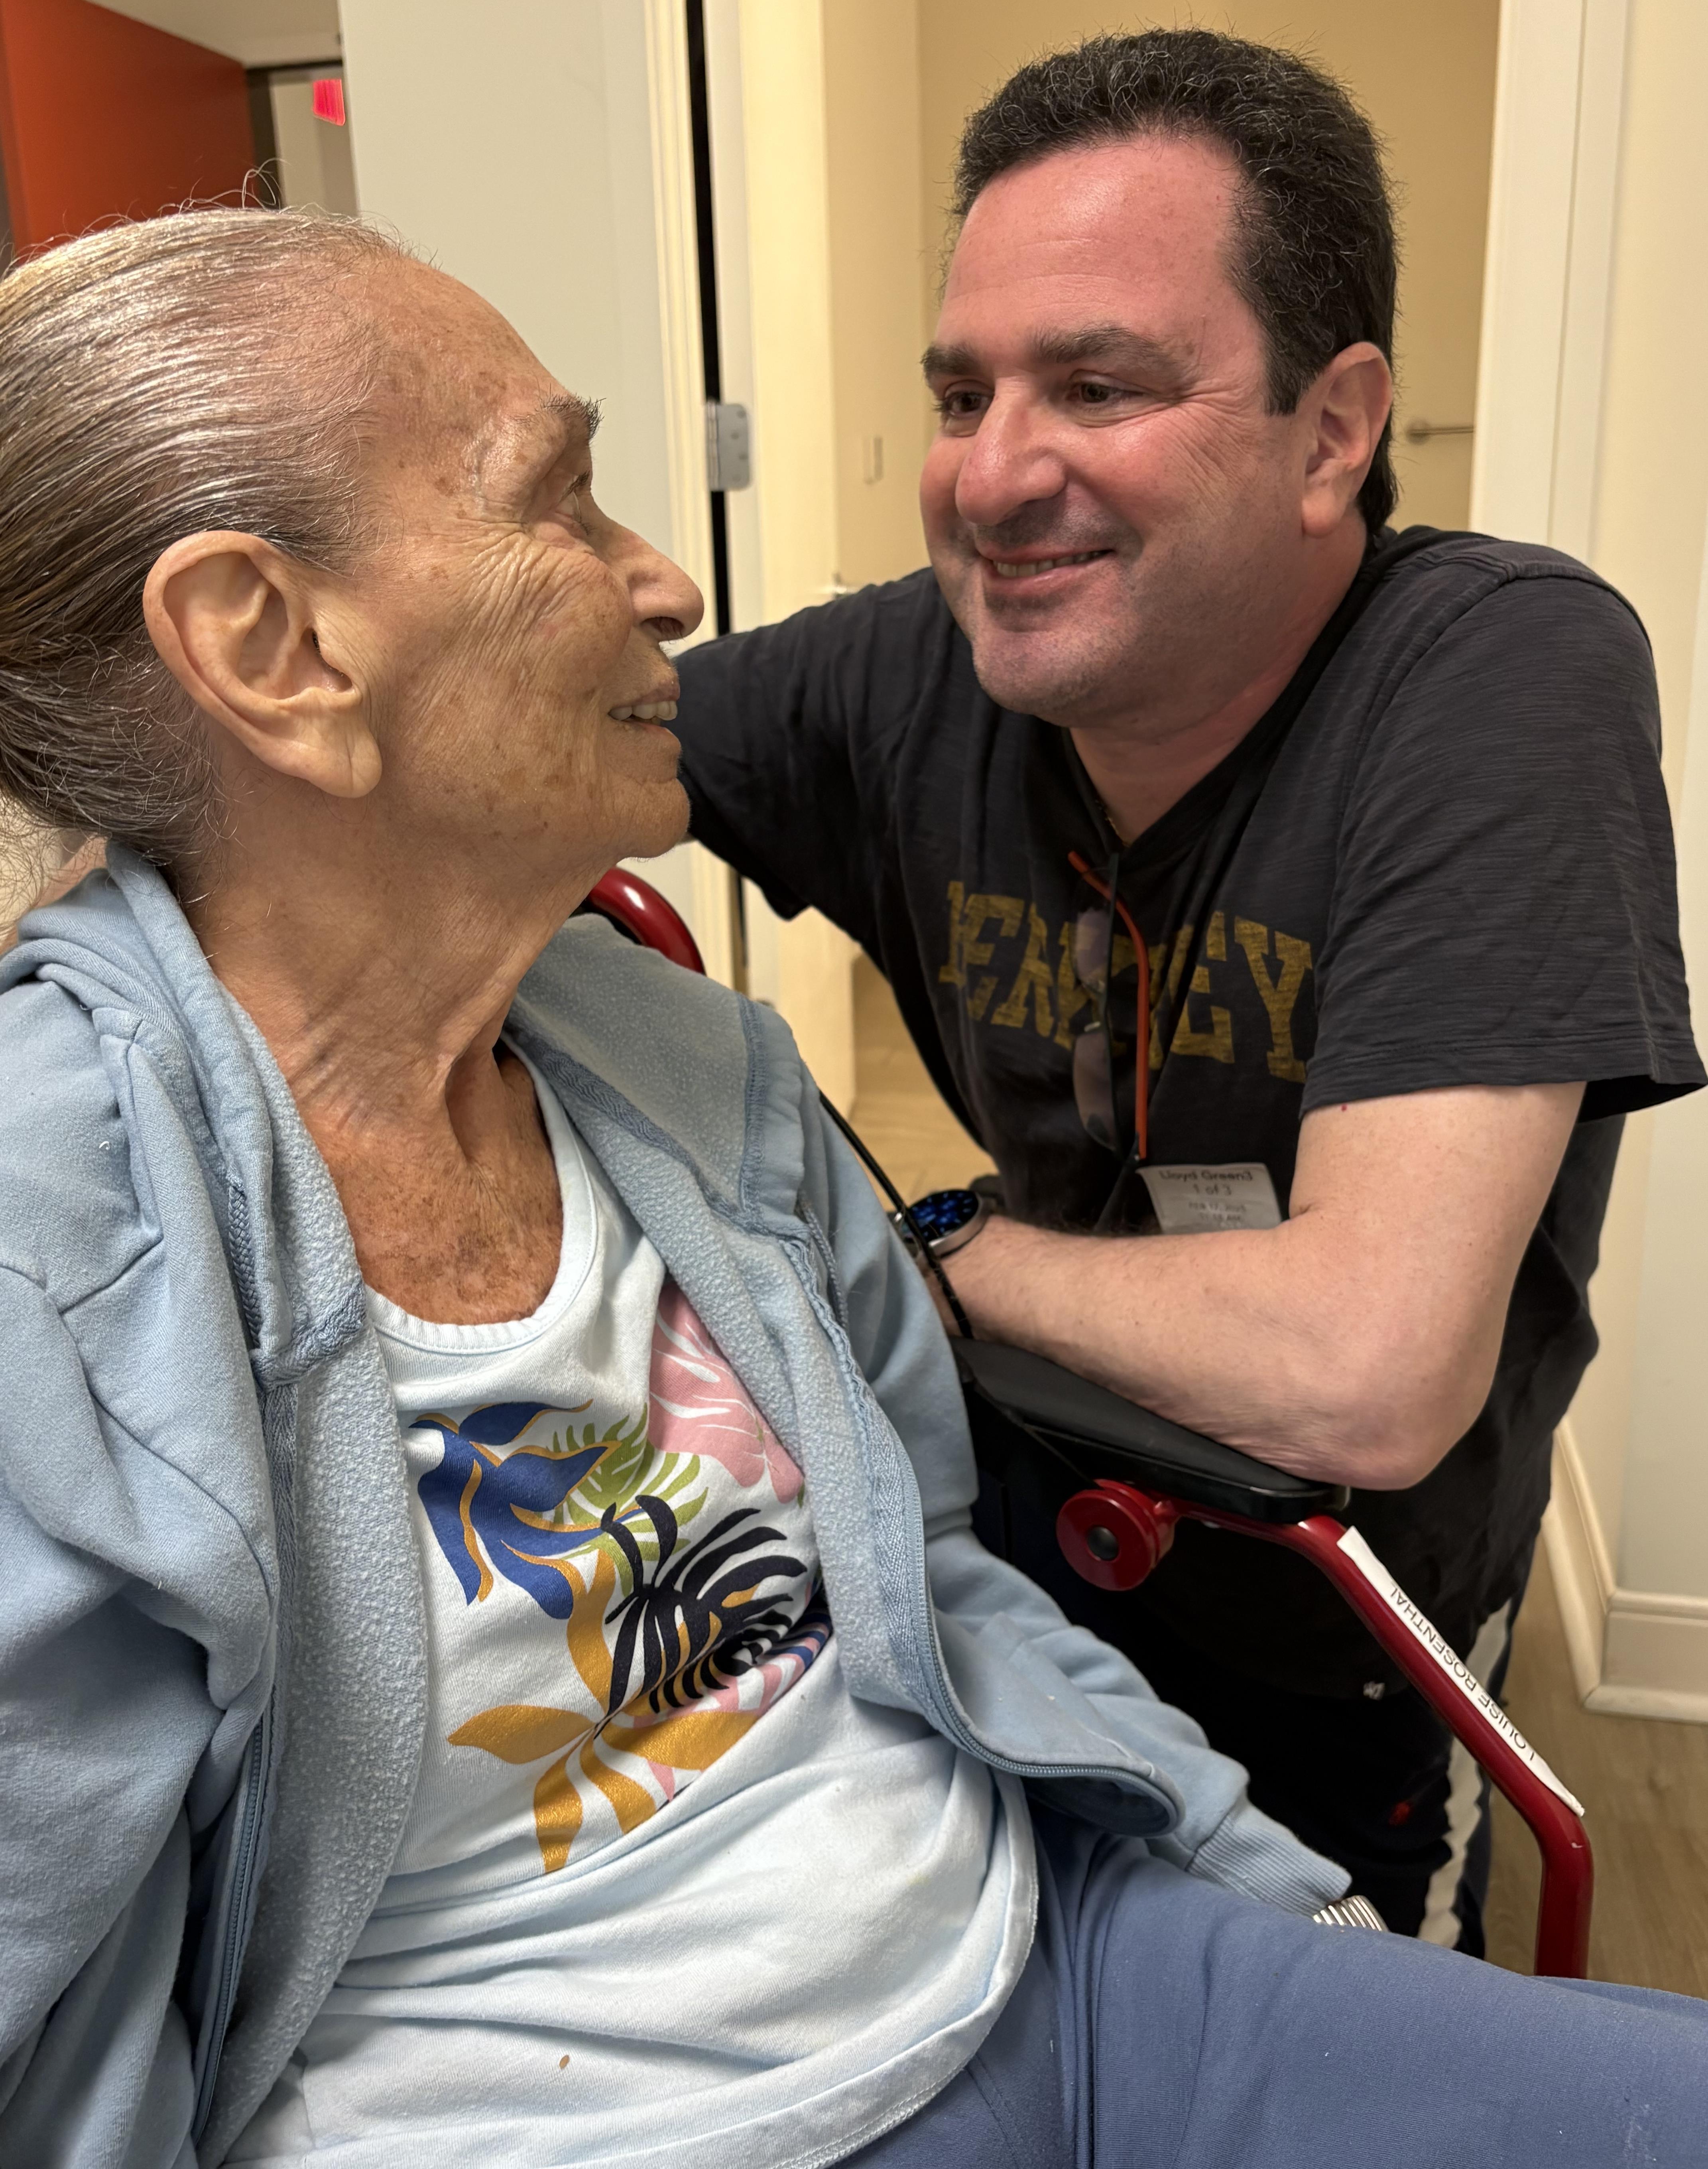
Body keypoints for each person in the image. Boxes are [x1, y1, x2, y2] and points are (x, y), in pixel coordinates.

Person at [0, 209, 1702, 2169]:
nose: (668, 578)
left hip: (1053, 1944)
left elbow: (943, 1573)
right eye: (558, 502)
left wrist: (1250, 1877)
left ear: (1337, 436)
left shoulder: (691, 1069)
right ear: (271, 646)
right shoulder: (67, 1255)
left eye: (1107, 385)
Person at [672, 28, 1706, 1951]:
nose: (994, 475)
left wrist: (933, 1256)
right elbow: (534, 752)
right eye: (962, 391)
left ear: (1336, 432)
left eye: (1100, 385)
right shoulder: (905, 674)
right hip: (1017, 1556)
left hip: (1353, 1624)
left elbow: (1366, 1370)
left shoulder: (1501, 677)